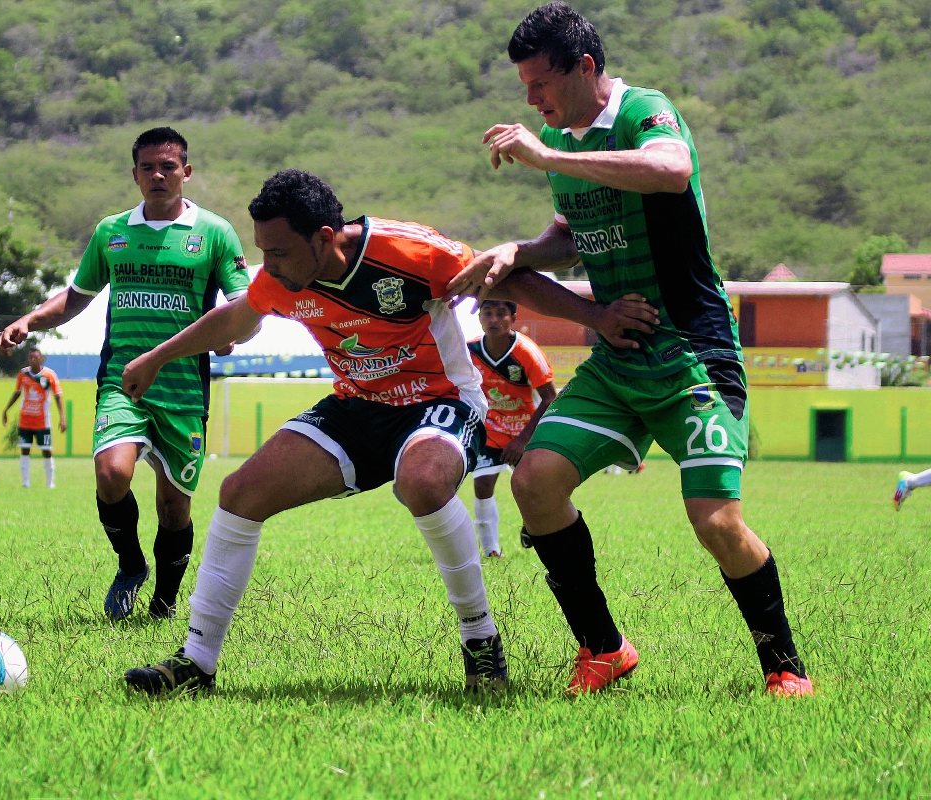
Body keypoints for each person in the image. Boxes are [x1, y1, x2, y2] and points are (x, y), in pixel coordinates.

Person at [118, 169, 649, 695]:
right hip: (355, 410)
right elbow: (234, 321)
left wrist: (596, 317)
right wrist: (157, 357)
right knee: (238, 494)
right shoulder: (279, 279)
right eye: (264, 252)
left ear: (324, 238)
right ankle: (196, 663)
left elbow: (504, 279)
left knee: (421, 482)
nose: (269, 265)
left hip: (439, 403)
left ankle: (482, 644)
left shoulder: (408, 251)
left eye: (278, 251)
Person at [446, 2, 812, 696]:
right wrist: (520, 252)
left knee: (717, 522)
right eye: (524, 86)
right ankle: (604, 648)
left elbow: (670, 170)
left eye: (541, 83)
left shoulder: (645, 111)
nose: (531, 99)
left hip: (693, 354)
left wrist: (550, 155)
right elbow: (569, 233)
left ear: (584, 68)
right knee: (535, 480)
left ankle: (784, 667)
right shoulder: (562, 136)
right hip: (618, 361)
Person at [0, 127, 251, 621]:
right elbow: (76, 297)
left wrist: (234, 333)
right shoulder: (111, 231)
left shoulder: (215, 233)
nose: (158, 175)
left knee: (174, 508)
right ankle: (131, 564)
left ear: (186, 172)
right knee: (112, 474)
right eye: (148, 167)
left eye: (168, 166)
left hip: (183, 389)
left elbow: (244, 305)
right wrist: (30, 318)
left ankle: (164, 601)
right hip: (123, 380)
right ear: (135, 174)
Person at [468, 299, 556, 558]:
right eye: (488, 313)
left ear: (513, 318)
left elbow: (551, 398)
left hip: (524, 432)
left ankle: (532, 525)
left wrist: (522, 440)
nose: (493, 319)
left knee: (533, 489)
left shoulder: (527, 351)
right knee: (482, 486)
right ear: (480, 317)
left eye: (500, 314)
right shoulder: (468, 350)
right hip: (489, 431)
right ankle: (492, 551)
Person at [1, 347, 66, 489]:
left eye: (36, 357)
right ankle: (25, 483)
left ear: (41, 358)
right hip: (25, 420)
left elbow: (57, 396)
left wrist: (63, 417)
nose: (33, 360)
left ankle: (50, 483)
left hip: (43, 421)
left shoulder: (49, 375)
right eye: (31, 357)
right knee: (25, 450)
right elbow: (17, 393)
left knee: (47, 451)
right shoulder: (23, 374)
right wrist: (6, 409)